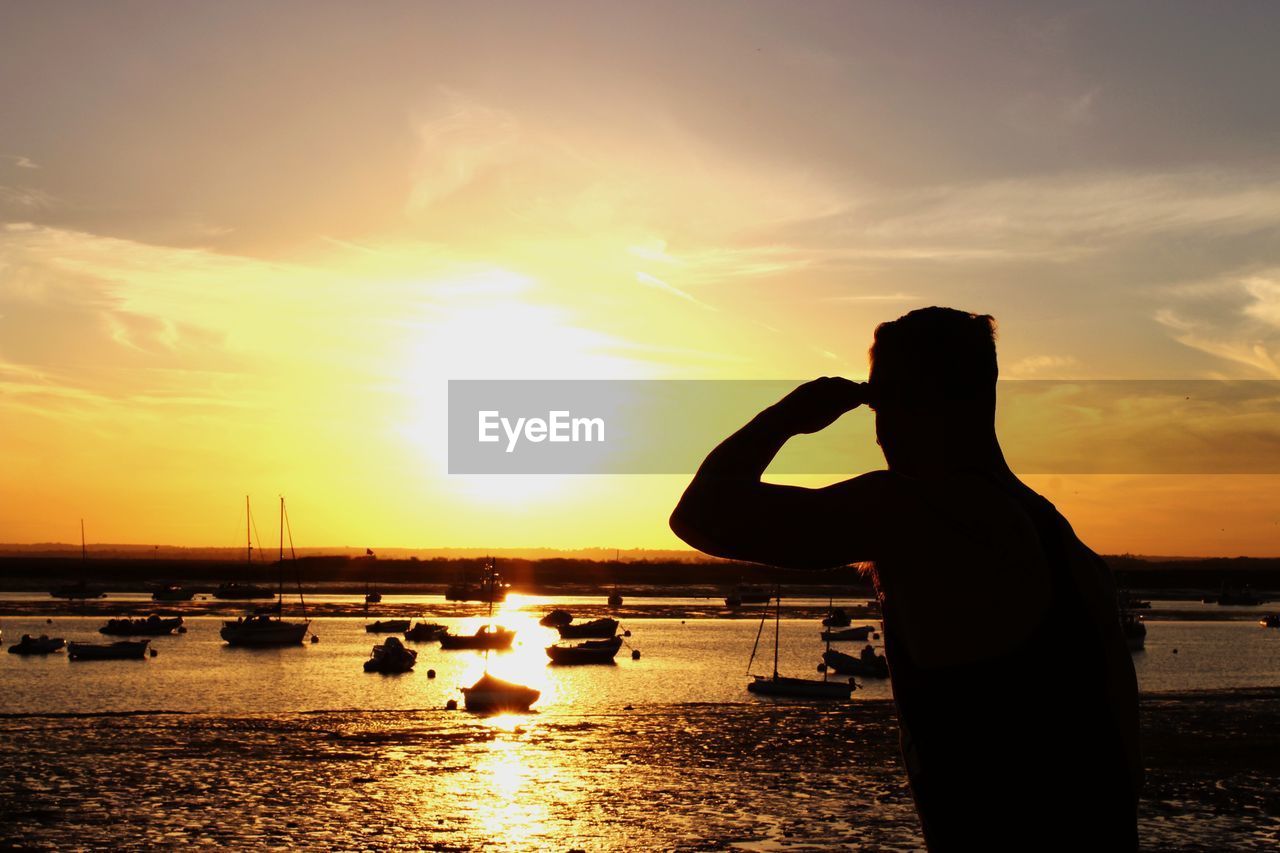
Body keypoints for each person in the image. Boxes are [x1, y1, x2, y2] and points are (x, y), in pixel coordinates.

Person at [670, 307, 1141, 850]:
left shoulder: (916, 511)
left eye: (879, 399)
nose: (878, 429)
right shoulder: (1060, 536)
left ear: (903, 402)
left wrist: (785, 417)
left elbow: (699, 514)